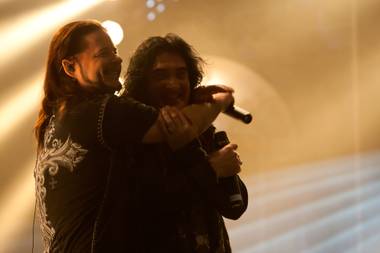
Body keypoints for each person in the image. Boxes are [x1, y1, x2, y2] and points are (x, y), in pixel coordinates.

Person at [33, 20, 235, 253]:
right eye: (103, 54)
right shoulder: (101, 111)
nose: (117, 60)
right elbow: (177, 127)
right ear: (70, 68)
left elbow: (232, 205)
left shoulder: (54, 120)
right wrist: (220, 100)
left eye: (115, 51)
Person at [124, 34, 248, 252]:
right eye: (161, 76)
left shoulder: (204, 130)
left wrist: (226, 171)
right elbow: (150, 207)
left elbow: (234, 206)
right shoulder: (131, 137)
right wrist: (209, 166)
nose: (173, 84)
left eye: (181, 74)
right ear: (143, 83)